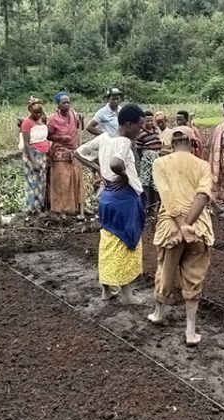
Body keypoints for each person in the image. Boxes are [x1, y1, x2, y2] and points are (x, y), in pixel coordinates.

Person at [74, 104, 147, 304]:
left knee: (108, 241)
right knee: (126, 241)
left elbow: (78, 153)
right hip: (124, 198)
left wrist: (99, 169)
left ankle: (106, 290)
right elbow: (116, 164)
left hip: (108, 197)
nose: (140, 130)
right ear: (128, 124)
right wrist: (123, 176)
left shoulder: (104, 137)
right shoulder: (124, 141)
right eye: (139, 126)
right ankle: (127, 294)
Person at [148, 126, 214, 346]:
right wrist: (188, 226)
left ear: (171, 143)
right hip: (199, 228)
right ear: (193, 143)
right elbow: (203, 196)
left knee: (165, 270)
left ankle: (158, 313)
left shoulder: (160, 163)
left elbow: (166, 196)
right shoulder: (202, 165)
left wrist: (180, 227)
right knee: (194, 277)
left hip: (170, 227)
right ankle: (190, 331)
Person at [46, 91, 84, 216]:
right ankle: (60, 208)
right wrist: (61, 138)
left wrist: (82, 119)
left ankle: (77, 206)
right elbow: (48, 135)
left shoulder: (74, 114)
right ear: (58, 105)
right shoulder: (52, 119)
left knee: (76, 179)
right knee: (62, 181)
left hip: (74, 150)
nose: (67, 105)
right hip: (60, 150)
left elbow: (80, 127)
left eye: (68, 102)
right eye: (64, 103)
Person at [19, 97, 50, 214]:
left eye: (40, 112)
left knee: (41, 182)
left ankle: (39, 207)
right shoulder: (27, 123)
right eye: (35, 112)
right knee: (33, 183)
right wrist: (33, 162)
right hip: (32, 155)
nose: (38, 114)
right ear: (30, 111)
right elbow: (27, 144)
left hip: (42, 155)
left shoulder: (42, 120)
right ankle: (32, 209)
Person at [134, 110, 163, 212]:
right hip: (146, 159)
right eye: (147, 121)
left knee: (155, 182)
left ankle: (155, 205)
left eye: (151, 120)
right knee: (145, 182)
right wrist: (145, 157)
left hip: (157, 157)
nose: (150, 123)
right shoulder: (141, 133)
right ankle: (146, 205)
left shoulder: (156, 130)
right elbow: (139, 149)